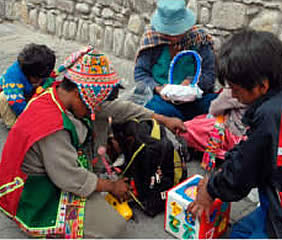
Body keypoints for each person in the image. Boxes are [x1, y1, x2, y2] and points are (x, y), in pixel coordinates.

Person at [0, 46, 185, 238]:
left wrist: (162, 119)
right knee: (115, 228)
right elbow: (69, 177)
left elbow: (117, 108)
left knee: (102, 117)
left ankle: (95, 177)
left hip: (58, 171)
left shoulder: (59, 93)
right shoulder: (52, 125)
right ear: (78, 94)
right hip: (36, 190)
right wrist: (110, 186)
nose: (93, 110)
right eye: (91, 106)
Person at [187, 29, 282, 238]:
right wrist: (218, 176)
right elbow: (249, 150)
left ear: (261, 86)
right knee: (239, 232)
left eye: (235, 89)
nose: (232, 94)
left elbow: (242, 172)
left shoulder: (270, 115)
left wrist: (210, 191)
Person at [134, 0, 217, 121]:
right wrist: (159, 88)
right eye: (168, 34)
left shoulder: (200, 40)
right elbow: (141, 74)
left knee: (217, 103)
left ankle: (186, 122)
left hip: (194, 100)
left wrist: (191, 83)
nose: (173, 37)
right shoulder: (152, 40)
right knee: (153, 109)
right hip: (162, 101)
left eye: (178, 33)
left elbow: (210, 74)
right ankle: (184, 123)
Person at [0, 43, 56, 128]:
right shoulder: (13, 77)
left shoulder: (40, 69)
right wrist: (32, 119)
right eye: (37, 79)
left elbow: (50, 80)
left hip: (24, 93)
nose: (40, 81)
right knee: (3, 98)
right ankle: (14, 125)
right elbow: (17, 104)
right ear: (27, 73)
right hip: (11, 99)